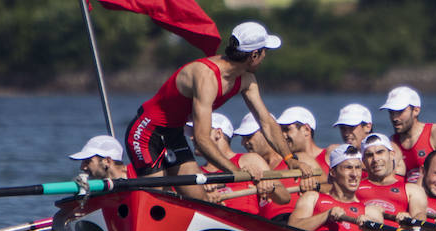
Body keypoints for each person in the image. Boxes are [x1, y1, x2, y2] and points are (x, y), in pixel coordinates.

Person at [125, 21, 298, 199]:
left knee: (199, 201)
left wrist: (289, 158)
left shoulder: (247, 80)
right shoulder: (206, 77)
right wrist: (236, 171)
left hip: (173, 134)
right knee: (155, 199)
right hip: (145, 133)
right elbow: (201, 138)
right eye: (264, 52)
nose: (264, 57)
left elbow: (266, 122)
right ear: (254, 55)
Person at [288, 146, 384, 231]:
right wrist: (326, 215)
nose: (354, 174)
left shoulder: (370, 212)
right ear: (333, 172)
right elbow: (291, 230)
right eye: (348, 167)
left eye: (358, 168)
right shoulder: (312, 198)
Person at [191, 113, 265, 214]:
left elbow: (283, 197)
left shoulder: (248, 160)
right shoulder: (193, 171)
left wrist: (268, 186)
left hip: (245, 223)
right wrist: (202, 196)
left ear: (218, 134)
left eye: (198, 131)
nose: (191, 137)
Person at [381, 86, 436, 183]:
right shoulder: (392, 142)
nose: (394, 118)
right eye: (391, 112)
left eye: (400, 112)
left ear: (416, 111)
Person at [356, 133, 426, 222]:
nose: (375, 159)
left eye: (380, 152)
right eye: (369, 155)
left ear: (392, 155)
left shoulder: (412, 190)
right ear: (363, 161)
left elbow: (419, 215)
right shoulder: (354, 188)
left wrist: (410, 221)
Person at [335, 103, 406, 176]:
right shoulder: (341, 152)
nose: (346, 133)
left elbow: (386, 171)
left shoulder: (389, 147)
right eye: (342, 128)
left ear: (368, 127)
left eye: (351, 127)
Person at [277, 106, 328, 185]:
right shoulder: (281, 161)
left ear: (306, 130)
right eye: (281, 131)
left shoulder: (329, 156)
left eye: (287, 129)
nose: (283, 135)